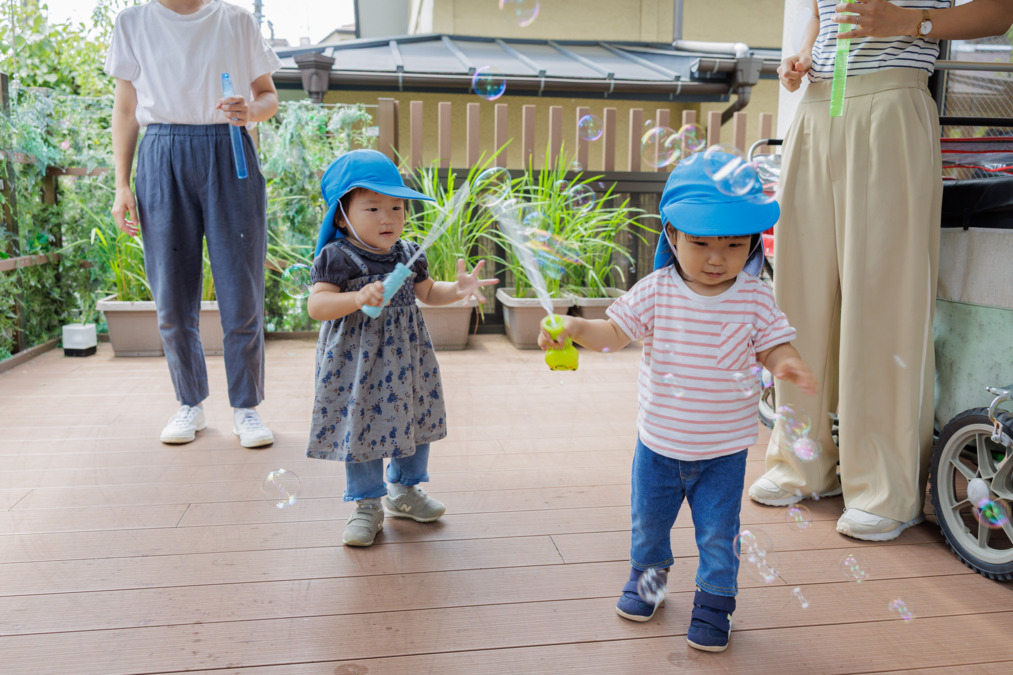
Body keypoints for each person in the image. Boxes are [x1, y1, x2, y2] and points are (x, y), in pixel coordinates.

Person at [748, 0, 1013, 541]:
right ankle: (802, 462)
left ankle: (883, 488)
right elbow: (823, 16)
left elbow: (998, 13)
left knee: (882, 299)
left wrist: (912, 22)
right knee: (799, 294)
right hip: (818, 107)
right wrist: (799, 57)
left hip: (892, 100)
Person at [539, 153, 817, 652]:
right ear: (671, 235)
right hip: (659, 446)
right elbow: (615, 333)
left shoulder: (755, 298)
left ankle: (715, 603)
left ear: (753, 243)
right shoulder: (656, 292)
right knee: (648, 525)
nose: (718, 258)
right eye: (702, 243)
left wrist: (786, 362)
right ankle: (650, 581)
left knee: (718, 535)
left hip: (725, 451)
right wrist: (578, 328)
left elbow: (775, 343)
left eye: (735, 244)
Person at [106, 0, 281, 448]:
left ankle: (247, 407)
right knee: (171, 292)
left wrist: (252, 111)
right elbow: (126, 112)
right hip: (162, 152)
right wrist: (121, 185)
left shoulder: (236, 20)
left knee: (241, 288)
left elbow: (268, 96)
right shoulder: (133, 22)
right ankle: (190, 403)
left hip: (230, 149)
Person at [306, 149, 498, 548]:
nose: (388, 217)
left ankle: (404, 492)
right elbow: (317, 307)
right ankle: (366, 504)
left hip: (406, 359)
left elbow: (428, 292)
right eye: (373, 207)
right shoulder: (337, 257)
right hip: (356, 365)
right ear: (342, 216)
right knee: (363, 426)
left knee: (414, 416)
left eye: (396, 206)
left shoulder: (408, 253)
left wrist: (457, 290)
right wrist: (357, 299)